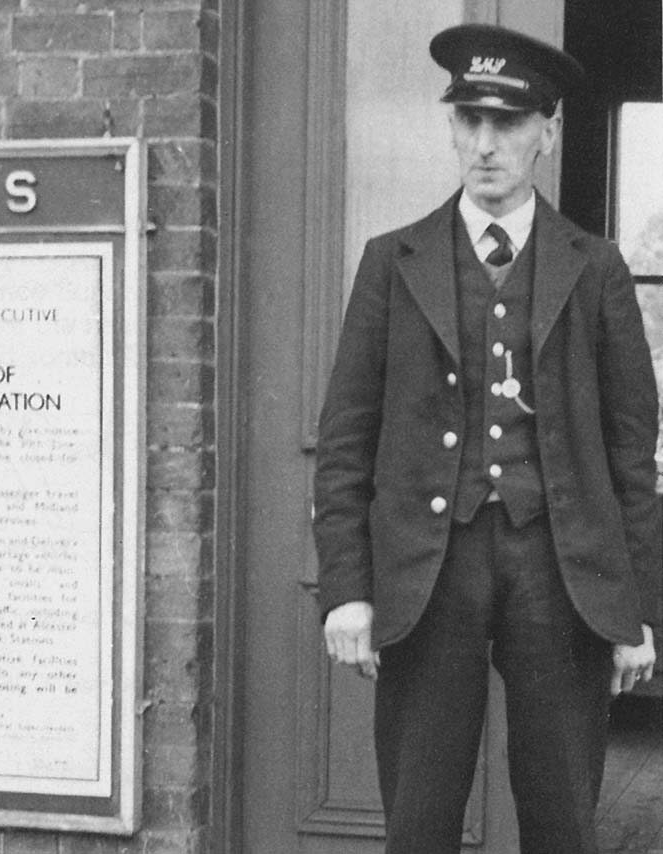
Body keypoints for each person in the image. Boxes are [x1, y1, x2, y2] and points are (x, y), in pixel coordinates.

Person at [313, 23, 661, 854]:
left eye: (508, 123)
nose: (485, 144)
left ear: (549, 132)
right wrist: (346, 588)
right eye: (470, 120)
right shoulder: (392, 262)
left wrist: (637, 611)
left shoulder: (597, 268)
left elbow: (631, 456)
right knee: (420, 820)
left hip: (561, 571)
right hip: (430, 574)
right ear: (452, 127)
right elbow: (346, 441)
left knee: (562, 821)